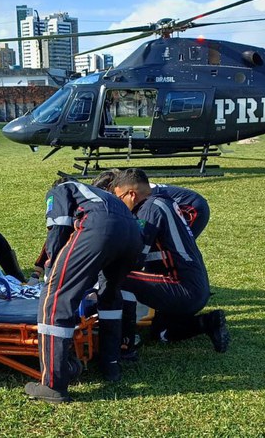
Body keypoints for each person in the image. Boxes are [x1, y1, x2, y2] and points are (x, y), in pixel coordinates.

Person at [25, 178, 143, 404]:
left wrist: (52, 272)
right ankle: (111, 365)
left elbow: (58, 226)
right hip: (131, 234)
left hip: (101, 226)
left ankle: (52, 385)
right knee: (109, 295)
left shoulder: (60, 189)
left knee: (55, 300)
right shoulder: (102, 196)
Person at [111, 168, 229, 354]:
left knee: (116, 278)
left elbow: (134, 256)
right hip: (195, 287)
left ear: (131, 194)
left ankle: (125, 340)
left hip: (182, 288)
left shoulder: (149, 209)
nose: (119, 204)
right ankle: (208, 322)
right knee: (162, 333)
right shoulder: (163, 202)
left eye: (119, 198)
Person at [93, 169, 211, 238]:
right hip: (184, 204)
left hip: (191, 207)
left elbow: (141, 223)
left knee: (178, 242)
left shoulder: (136, 194)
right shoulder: (132, 188)